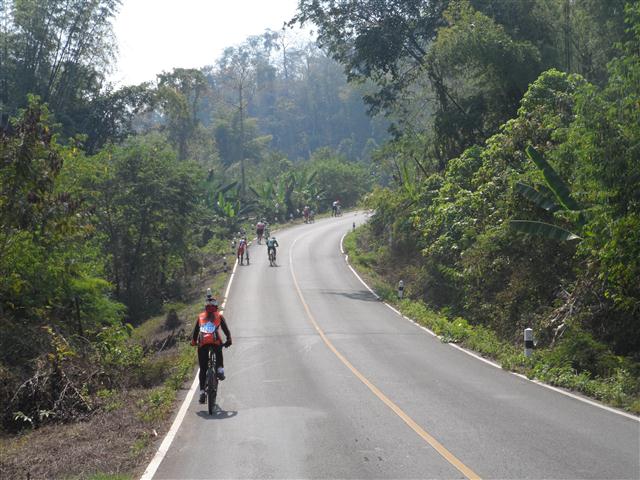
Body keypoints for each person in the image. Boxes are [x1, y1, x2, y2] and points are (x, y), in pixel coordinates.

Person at [191, 290, 232, 404]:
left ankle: (202, 392)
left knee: (203, 369)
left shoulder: (200, 317)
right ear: (216, 308)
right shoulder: (219, 316)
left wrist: (194, 342)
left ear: (205, 308)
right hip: (215, 342)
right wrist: (229, 339)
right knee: (219, 350)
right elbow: (225, 329)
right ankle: (220, 369)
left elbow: (195, 332)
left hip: (202, 344)